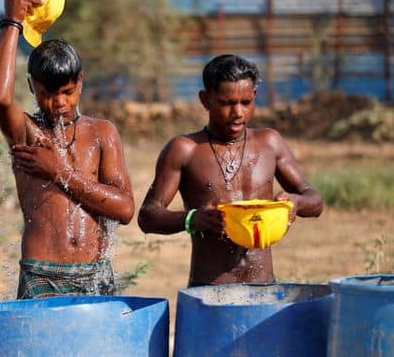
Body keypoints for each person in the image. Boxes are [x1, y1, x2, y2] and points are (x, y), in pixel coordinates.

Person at [0, 0, 134, 299]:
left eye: (68, 92)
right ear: (31, 88)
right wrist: (12, 22)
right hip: (42, 273)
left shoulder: (102, 134)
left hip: (95, 271)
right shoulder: (28, 132)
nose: (59, 103)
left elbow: (125, 209)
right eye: (47, 94)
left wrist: (60, 172)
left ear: (80, 82)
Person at [138, 54, 323, 287]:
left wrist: (296, 202)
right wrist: (192, 219)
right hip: (210, 289)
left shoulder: (269, 143)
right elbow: (148, 216)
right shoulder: (185, 149)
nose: (238, 113)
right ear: (205, 100)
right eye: (226, 103)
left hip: (264, 286)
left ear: (254, 96)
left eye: (246, 103)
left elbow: (314, 200)